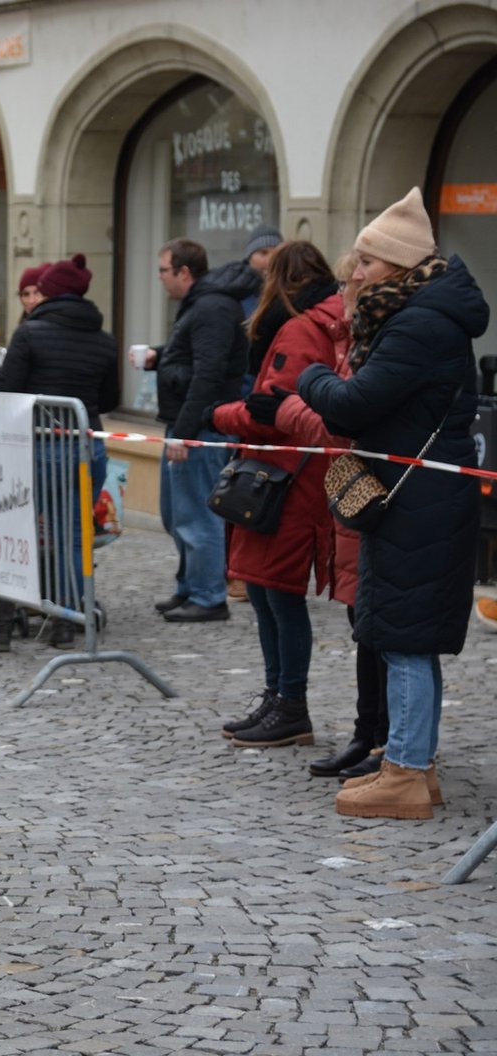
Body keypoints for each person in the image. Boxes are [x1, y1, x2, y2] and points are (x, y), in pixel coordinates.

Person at [297, 187, 486, 819]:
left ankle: (404, 770)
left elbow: (353, 405)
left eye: (367, 262)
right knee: (410, 635)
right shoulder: (422, 314)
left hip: (418, 500)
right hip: (419, 494)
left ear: (399, 266)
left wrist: (311, 376)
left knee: (404, 637)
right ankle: (414, 766)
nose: (355, 272)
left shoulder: (419, 322)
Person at [207, 241, 345, 748]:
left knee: (275, 593)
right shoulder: (327, 322)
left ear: (278, 281)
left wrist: (220, 415)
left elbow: (272, 410)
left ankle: (289, 704)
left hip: (283, 479)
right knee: (269, 591)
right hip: (294, 476)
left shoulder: (299, 327)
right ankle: (279, 699)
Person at [272, 252, 391, 780]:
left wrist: (289, 406)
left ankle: (385, 742)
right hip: (354, 497)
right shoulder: (354, 337)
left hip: (374, 496)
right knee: (363, 626)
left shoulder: (375, 341)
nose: (342, 291)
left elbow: (343, 420)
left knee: (379, 630)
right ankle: (369, 734)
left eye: (348, 281)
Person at [0, 253, 119, 651]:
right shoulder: (105, 340)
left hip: (37, 447)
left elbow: (7, 392)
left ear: (51, 292)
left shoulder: (30, 334)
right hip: (86, 447)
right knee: (71, 537)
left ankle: (1, 628)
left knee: (10, 529)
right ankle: (65, 624)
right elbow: (110, 398)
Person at [147, 238, 249, 622]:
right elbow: (194, 357)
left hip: (201, 430)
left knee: (197, 516)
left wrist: (185, 433)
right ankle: (190, 587)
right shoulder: (201, 305)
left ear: (184, 272)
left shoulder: (211, 308)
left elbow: (209, 373)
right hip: (186, 424)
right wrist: (161, 356)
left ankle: (208, 597)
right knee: (176, 515)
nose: (160, 278)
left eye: (163, 270)